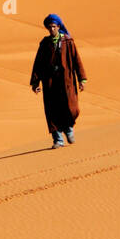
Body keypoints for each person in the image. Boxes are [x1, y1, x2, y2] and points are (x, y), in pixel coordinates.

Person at [30, 13, 87, 147]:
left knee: (72, 108)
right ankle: (58, 140)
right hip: (50, 82)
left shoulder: (68, 41)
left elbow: (76, 60)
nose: (51, 30)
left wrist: (82, 79)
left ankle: (68, 128)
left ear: (58, 26)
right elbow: (38, 64)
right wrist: (35, 82)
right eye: (49, 27)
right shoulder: (44, 44)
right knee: (52, 110)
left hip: (66, 81)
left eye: (54, 27)